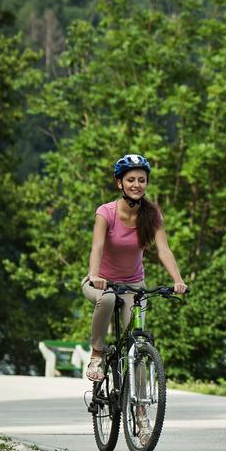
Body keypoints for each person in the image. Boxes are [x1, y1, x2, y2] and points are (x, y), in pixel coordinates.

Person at [83, 154, 187, 383]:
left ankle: (140, 411)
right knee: (108, 299)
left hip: (134, 286)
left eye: (142, 180)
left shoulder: (152, 215)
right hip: (102, 283)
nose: (136, 185)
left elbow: (164, 250)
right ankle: (97, 354)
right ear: (119, 183)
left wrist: (177, 280)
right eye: (131, 180)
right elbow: (97, 247)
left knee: (137, 345)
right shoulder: (106, 212)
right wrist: (94, 275)